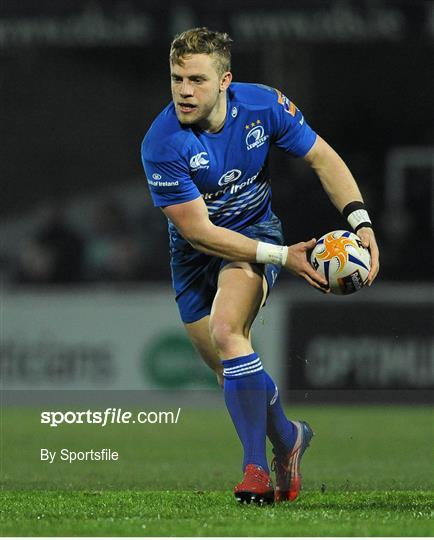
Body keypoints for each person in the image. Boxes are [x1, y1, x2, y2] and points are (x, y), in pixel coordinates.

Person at [141, 27, 379, 504]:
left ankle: (253, 470)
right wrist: (286, 258)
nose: (184, 91)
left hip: (255, 236)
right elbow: (198, 233)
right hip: (192, 256)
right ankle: (289, 438)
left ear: (225, 80)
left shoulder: (265, 106)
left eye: (197, 80)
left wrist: (362, 223)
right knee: (227, 367)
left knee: (228, 330)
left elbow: (323, 158)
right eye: (176, 79)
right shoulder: (162, 142)